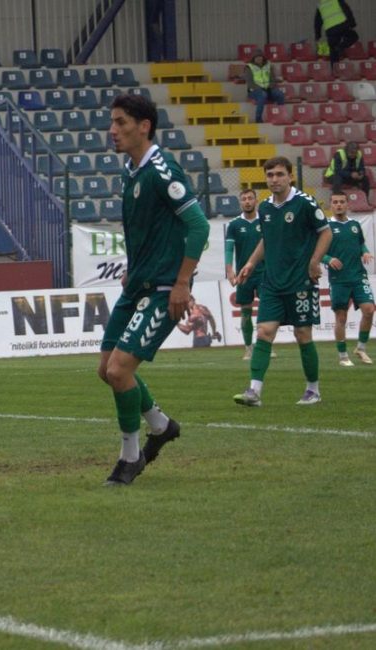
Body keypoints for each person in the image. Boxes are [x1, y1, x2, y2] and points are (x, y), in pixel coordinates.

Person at [97, 93, 209, 487]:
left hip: (164, 289)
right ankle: (161, 425)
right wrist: (134, 267)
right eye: (112, 122)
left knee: (119, 370)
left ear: (144, 126)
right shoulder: (133, 171)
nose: (113, 130)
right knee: (105, 371)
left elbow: (199, 227)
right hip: (139, 283)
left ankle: (130, 457)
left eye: (121, 122)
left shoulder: (163, 171)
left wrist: (181, 283)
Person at [234, 157, 332, 407]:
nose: (274, 179)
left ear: (290, 176)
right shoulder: (265, 208)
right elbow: (266, 240)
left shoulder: (305, 204)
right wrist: (250, 263)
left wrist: (314, 262)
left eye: (279, 174)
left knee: (302, 334)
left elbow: (326, 232)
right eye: (270, 175)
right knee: (265, 332)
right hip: (272, 283)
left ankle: (313, 389)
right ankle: (254, 391)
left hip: (300, 281)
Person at [325, 192, 375, 366]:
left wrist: (365, 251)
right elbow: (316, 251)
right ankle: (343, 355)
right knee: (341, 316)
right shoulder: (326, 227)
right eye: (335, 202)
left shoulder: (354, 225)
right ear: (330, 205)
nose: (339, 205)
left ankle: (361, 348)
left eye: (342, 202)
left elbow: (361, 243)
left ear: (347, 204)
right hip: (339, 279)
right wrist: (329, 259)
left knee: (369, 310)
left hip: (358, 275)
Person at [225, 189, 265, 360]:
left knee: (267, 309)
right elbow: (229, 249)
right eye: (244, 199)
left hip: (265, 272)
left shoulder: (265, 221)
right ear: (240, 203)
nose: (247, 201)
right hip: (244, 274)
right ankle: (248, 348)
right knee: (246, 311)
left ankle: (265, 345)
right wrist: (229, 270)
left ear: (256, 200)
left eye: (250, 198)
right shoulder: (234, 225)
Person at [243, 50, 284, 124]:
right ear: (253, 58)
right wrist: (261, 89)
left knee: (280, 94)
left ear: (263, 58)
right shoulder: (249, 67)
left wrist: (270, 87)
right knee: (262, 95)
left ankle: (280, 115)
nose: (259, 59)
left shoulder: (268, 65)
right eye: (257, 57)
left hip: (268, 89)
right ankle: (258, 119)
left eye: (260, 57)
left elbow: (272, 79)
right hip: (254, 90)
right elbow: (250, 83)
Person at [314, 0, 359, 65]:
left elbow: (317, 21)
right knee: (354, 36)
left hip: (330, 30)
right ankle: (340, 47)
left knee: (333, 51)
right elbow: (347, 10)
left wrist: (318, 35)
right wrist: (352, 23)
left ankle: (335, 72)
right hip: (342, 26)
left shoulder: (321, 5)